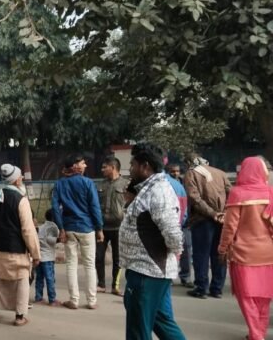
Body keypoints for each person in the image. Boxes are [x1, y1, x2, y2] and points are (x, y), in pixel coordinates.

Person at [120, 143, 185, 340]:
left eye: (133, 165)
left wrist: (173, 253)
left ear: (145, 166)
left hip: (148, 271)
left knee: (138, 329)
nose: (130, 170)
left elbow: (173, 233)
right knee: (162, 322)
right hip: (148, 269)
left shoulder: (159, 191)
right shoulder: (149, 189)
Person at [218, 156, 273, 340]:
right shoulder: (270, 193)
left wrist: (222, 248)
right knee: (264, 297)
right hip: (268, 253)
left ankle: (256, 335)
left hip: (244, 254)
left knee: (247, 297)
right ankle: (258, 333)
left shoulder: (238, 193)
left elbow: (230, 226)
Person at [0, 164, 40, 326]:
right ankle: (19, 317)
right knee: (22, 279)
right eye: (20, 176)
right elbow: (28, 230)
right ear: (16, 180)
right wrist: (35, 254)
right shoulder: (21, 200)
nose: (22, 178)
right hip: (17, 250)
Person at [51, 153, 104, 310]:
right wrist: (99, 228)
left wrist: (61, 228)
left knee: (71, 265)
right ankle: (92, 300)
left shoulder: (60, 184)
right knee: (89, 264)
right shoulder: (88, 183)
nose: (85, 165)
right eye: (82, 162)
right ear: (75, 166)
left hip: (69, 228)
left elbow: (55, 208)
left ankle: (73, 300)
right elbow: (95, 207)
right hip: (87, 228)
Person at [183, 152, 231, 299]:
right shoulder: (221, 173)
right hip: (221, 219)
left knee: (201, 255)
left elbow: (194, 198)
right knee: (219, 253)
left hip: (202, 219)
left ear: (188, 163)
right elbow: (231, 194)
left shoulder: (191, 174)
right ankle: (217, 288)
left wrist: (212, 213)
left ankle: (201, 288)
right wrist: (223, 212)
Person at [95, 156, 127, 295]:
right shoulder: (101, 185)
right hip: (102, 227)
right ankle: (101, 284)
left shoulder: (126, 184)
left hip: (119, 227)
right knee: (99, 257)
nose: (102, 170)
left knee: (117, 259)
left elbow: (131, 205)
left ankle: (116, 285)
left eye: (104, 167)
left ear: (113, 168)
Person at [35, 208, 61, 306]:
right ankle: (52, 299)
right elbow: (51, 240)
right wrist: (59, 240)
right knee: (50, 278)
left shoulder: (42, 227)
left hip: (40, 257)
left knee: (39, 278)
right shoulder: (53, 227)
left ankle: (38, 297)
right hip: (48, 258)